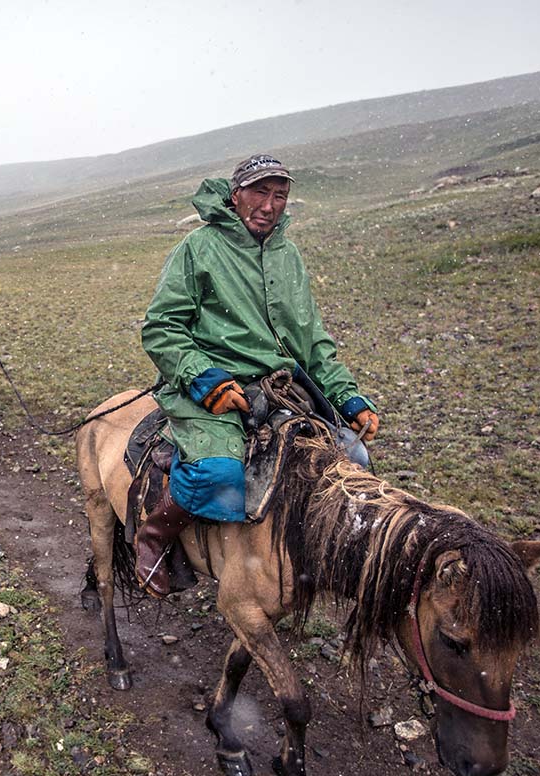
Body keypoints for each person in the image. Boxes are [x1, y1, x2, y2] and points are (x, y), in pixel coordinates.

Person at [135, 154, 380, 597]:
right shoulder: (200, 247)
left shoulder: (288, 255)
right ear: (235, 196)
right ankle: (154, 536)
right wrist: (204, 380)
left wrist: (349, 398)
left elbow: (312, 340)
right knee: (217, 473)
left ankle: (294, 560)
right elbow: (161, 327)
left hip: (281, 389)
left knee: (353, 460)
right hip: (212, 383)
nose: (269, 205)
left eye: (279, 195)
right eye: (259, 193)